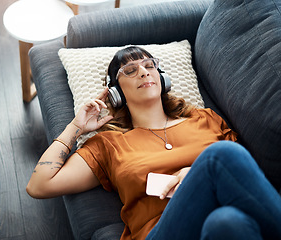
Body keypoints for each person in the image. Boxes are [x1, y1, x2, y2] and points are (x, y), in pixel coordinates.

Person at [27, 46, 281, 240]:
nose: (144, 71)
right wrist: (76, 126)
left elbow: (243, 176)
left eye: (149, 65)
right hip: (159, 232)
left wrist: (195, 175)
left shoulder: (203, 119)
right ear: (116, 92)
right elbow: (39, 185)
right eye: (130, 70)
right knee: (220, 156)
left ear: (162, 77)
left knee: (227, 222)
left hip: (215, 220)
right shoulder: (110, 144)